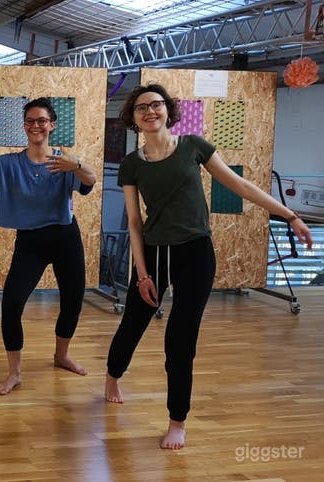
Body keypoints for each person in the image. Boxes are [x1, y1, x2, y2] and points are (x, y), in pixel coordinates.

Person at [104, 83, 314, 450]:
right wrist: (141, 274)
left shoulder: (193, 146)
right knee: (133, 322)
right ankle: (112, 376)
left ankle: (176, 420)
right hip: (155, 254)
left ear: (168, 110)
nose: (150, 111)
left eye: (156, 105)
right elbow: (135, 223)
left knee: (180, 339)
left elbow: (241, 186)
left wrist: (289, 215)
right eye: (141, 108)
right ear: (133, 119)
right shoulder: (132, 165)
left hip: (196, 254)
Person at [0, 97, 97, 396]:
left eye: (41, 121)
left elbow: (90, 181)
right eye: (30, 121)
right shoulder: (8, 163)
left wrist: (77, 164)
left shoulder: (64, 161)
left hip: (65, 236)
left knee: (73, 301)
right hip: (30, 241)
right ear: (24, 126)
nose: (35, 126)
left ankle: (61, 355)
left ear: (52, 125)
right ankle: (15, 373)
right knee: (11, 305)